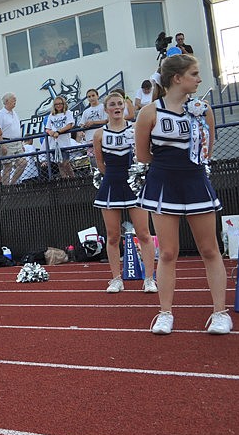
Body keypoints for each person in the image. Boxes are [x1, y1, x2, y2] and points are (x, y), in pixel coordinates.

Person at [135, 54, 231, 335]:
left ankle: (220, 313)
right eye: (194, 74)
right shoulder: (149, 112)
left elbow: (207, 151)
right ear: (177, 78)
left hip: (195, 183)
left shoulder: (204, 110)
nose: (199, 79)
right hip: (163, 185)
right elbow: (142, 155)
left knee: (210, 249)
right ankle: (165, 313)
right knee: (167, 252)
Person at [93, 92, 157, 294]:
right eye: (112, 104)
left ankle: (149, 278)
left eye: (120, 103)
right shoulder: (99, 134)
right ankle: (116, 279)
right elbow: (100, 164)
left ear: (125, 106)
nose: (117, 107)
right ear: (106, 109)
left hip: (134, 185)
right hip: (111, 184)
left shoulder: (135, 129)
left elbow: (144, 154)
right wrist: (113, 177)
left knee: (144, 233)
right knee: (112, 236)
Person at [0, 93, 27, 184]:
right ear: (7, 101)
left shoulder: (15, 113)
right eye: (13, 99)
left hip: (17, 142)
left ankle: (12, 184)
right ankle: (6, 188)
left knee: (23, 163)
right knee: (7, 166)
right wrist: (2, 145)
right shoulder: (0, 115)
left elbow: (18, 129)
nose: (15, 101)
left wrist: (22, 143)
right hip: (6, 142)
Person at [44, 96, 75, 178]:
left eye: (60, 103)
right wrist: (51, 132)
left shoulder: (68, 113)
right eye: (56, 104)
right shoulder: (51, 115)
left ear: (64, 104)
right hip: (54, 144)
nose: (58, 105)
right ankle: (65, 181)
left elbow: (70, 125)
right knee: (60, 164)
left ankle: (73, 179)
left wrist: (58, 132)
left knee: (66, 163)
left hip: (64, 143)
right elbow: (47, 128)